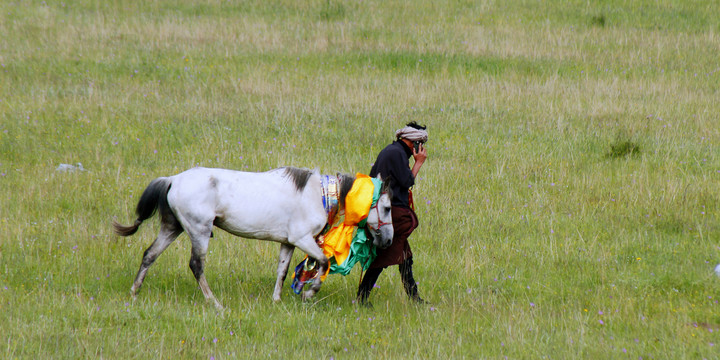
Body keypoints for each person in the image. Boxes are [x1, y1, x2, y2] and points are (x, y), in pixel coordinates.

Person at [357, 121, 428, 305]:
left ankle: (415, 299)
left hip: (386, 211)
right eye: (422, 144)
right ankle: (362, 297)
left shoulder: (392, 151)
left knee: (405, 259)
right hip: (392, 214)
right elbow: (407, 181)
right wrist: (418, 162)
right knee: (384, 258)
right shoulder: (397, 154)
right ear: (415, 143)